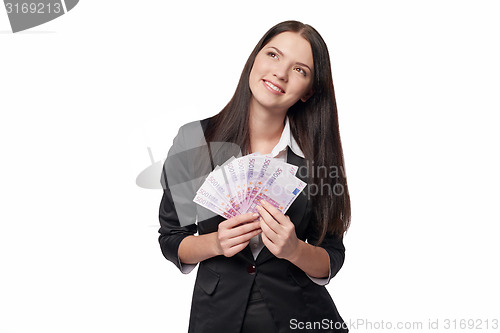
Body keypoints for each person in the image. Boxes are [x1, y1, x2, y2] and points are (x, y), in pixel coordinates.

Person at [158, 20, 351, 333]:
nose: (280, 72)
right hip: (218, 319)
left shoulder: (316, 158)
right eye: (273, 55)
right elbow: (171, 238)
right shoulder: (194, 141)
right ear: (255, 58)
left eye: (299, 69)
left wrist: (295, 250)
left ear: (308, 92)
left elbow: (332, 256)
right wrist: (216, 243)